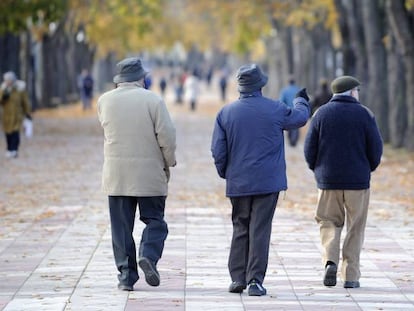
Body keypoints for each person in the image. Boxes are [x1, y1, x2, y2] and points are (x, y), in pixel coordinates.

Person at [211, 64, 310, 296]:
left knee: (240, 226)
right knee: (260, 229)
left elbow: (218, 150)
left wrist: (227, 173)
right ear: (260, 86)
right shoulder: (275, 109)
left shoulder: (225, 113)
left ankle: (237, 278)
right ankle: (255, 280)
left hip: (239, 182)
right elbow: (300, 118)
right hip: (268, 182)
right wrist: (301, 100)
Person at [97, 57, 177, 291]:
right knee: (155, 221)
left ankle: (126, 277)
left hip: (117, 175)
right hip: (149, 173)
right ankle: (148, 255)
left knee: (121, 228)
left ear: (119, 80)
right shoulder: (153, 100)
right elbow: (167, 137)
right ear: (141, 78)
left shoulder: (104, 101)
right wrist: (169, 162)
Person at [304, 75, 383, 289]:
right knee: (355, 226)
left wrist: (317, 170)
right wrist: (368, 168)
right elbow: (376, 149)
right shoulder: (365, 114)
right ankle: (351, 276)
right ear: (352, 92)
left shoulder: (321, 114)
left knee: (328, 221)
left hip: (328, 180)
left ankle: (330, 260)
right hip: (358, 181)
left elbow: (309, 148)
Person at [0, 71, 31, 158]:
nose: (8, 82)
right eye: (7, 80)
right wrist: (3, 96)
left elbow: (25, 102)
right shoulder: (3, 89)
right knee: (8, 133)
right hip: (6, 116)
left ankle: (14, 149)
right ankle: (9, 149)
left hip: (17, 115)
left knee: (15, 133)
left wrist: (27, 113)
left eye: (10, 80)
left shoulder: (19, 90)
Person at [279, 77, 301, 146]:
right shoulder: (298, 89)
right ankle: (294, 141)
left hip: (288, 110)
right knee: (296, 126)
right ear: (294, 82)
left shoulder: (284, 91)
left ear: (288, 82)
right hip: (297, 110)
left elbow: (281, 101)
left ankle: (290, 140)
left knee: (289, 126)